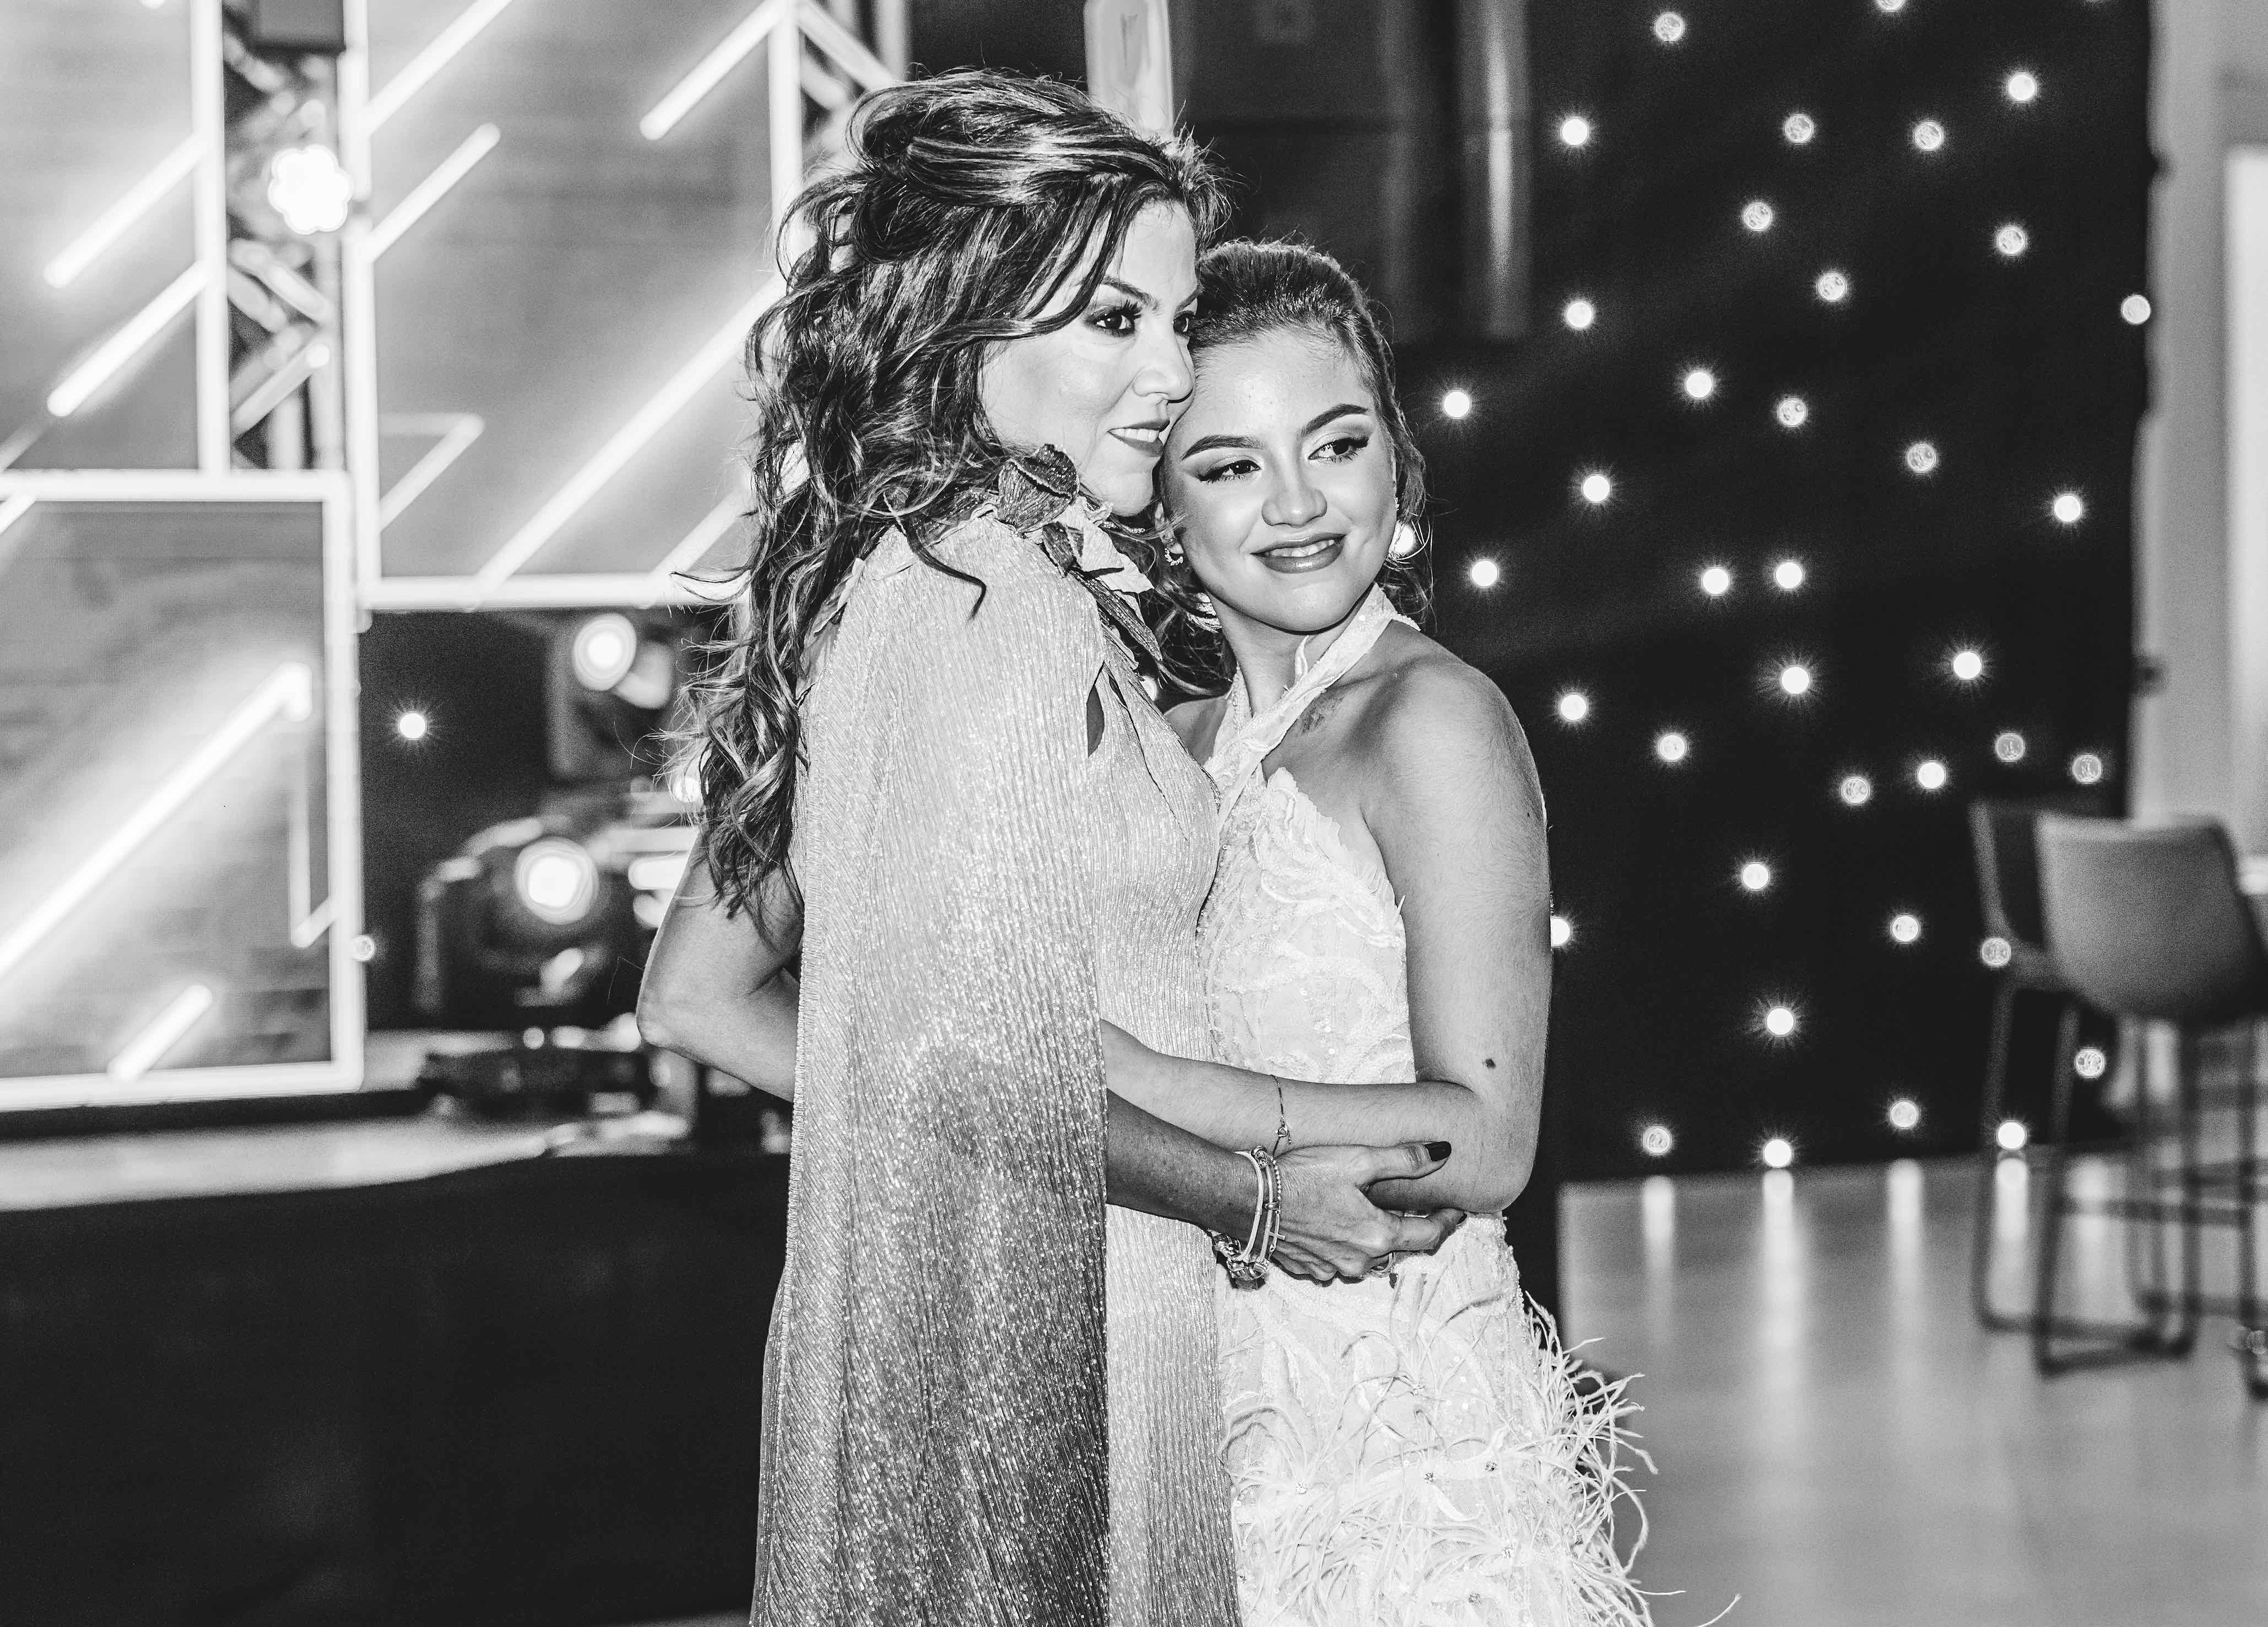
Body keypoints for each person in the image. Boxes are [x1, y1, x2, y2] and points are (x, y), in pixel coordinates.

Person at [635, 72, 1463, 1625]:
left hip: (980, 1281)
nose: (1169, 372)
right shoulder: (985, 608)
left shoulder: (916, 576)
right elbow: (964, 1056)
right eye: (1112, 321)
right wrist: (1251, 1199)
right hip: (1059, 1308)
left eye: (1174, 319)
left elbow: (706, 999)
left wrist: (902, 1168)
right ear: (965, 327)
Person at [1149, 239, 1653, 1625]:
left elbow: (1484, 1144)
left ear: (1399, 464)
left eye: (1337, 443)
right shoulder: (1165, 747)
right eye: (1230, 463)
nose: (1297, 503)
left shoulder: (1431, 718)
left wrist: (1135, 1082)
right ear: (1162, 506)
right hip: (1201, 1423)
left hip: (1395, 1445)